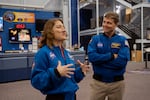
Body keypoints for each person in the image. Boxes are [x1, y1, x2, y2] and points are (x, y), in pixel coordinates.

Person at [31, 18, 89, 100]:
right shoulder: (43, 53)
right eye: (59, 27)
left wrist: (80, 72)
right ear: (50, 32)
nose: (64, 30)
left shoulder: (66, 53)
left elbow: (70, 78)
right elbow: (36, 81)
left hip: (71, 96)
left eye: (63, 27)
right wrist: (56, 73)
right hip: (56, 97)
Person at [87, 11, 130, 100]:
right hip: (98, 83)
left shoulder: (122, 40)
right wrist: (110, 56)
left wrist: (100, 61)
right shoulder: (95, 39)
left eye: (109, 23)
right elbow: (92, 57)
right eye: (104, 22)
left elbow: (121, 62)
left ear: (116, 24)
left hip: (117, 84)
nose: (105, 25)